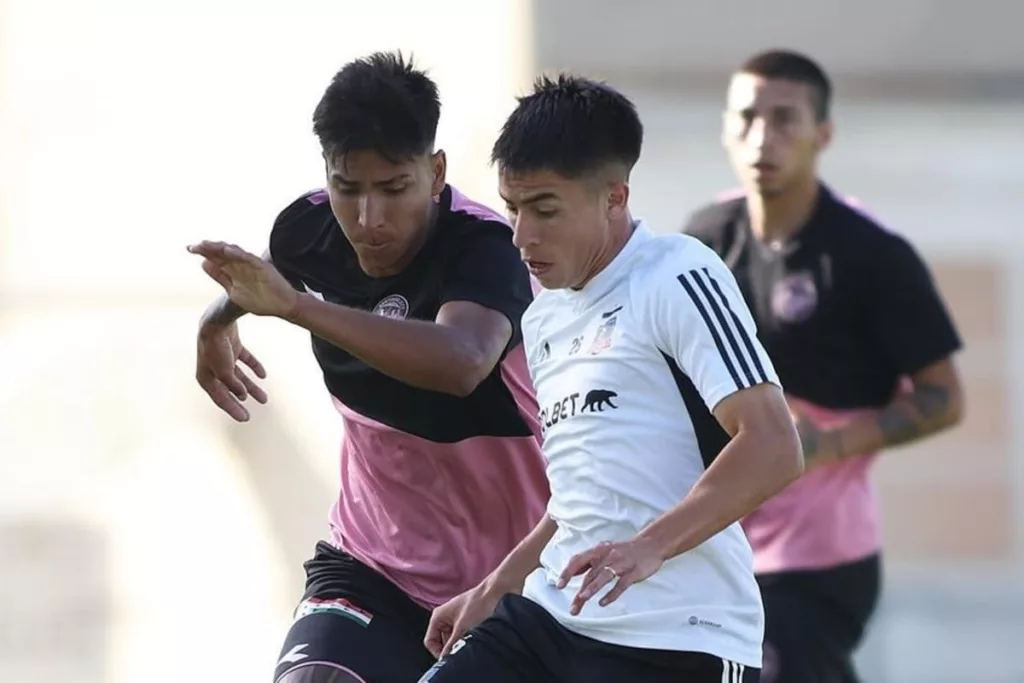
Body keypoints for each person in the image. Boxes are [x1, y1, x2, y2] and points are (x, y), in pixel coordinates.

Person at [417, 75, 804, 683]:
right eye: (512, 208)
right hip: (551, 620)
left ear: (614, 198)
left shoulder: (677, 276)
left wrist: (646, 547)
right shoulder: (542, 315)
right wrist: (494, 587)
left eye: (545, 210)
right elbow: (581, 499)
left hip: (679, 637)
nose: (522, 235)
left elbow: (774, 447)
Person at [187, 51, 550, 683]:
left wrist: (298, 309)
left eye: (393, 189)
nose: (368, 219)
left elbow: (461, 363)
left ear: (435, 173)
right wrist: (216, 321)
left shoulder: (487, 250)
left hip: (511, 581)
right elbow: (266, 277)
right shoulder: (309, 229)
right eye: (347, 188)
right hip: (371, 564)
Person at [681, 50, 965, 683]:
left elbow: (945, 397)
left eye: (785, 119)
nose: (764, 137)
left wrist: (830, 444)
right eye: (748, 117)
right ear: (726, 127)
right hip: (716, 540)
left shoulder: (871, 253)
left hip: (818, 555)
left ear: (822, 134)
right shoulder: (701, 241)